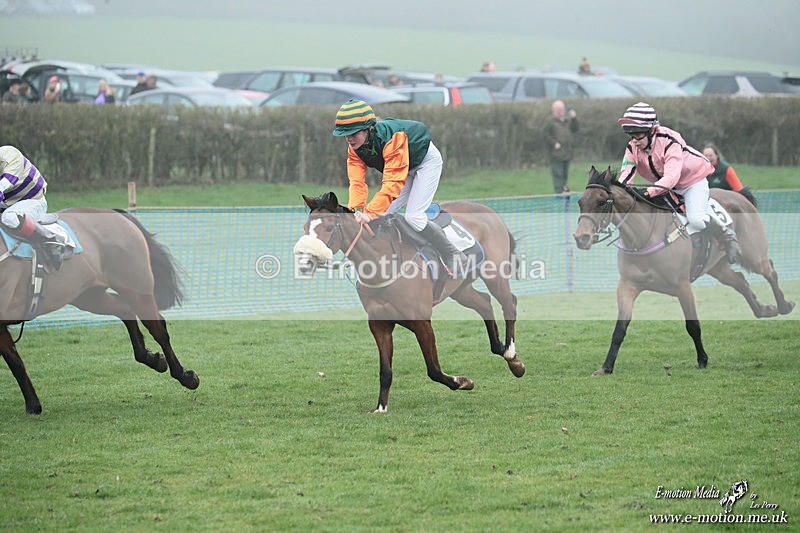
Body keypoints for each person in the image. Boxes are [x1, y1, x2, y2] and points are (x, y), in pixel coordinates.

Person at [332, 99, 466, 276]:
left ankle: (454, 254)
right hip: (403, 169)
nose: (349, 139)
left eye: (353, 133)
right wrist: (356, 210)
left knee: (413, 217)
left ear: (368, 129)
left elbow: (392, 183)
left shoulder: (392, 139)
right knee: (378, 218)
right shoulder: (354, 148)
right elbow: (357, 182)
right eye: (345, 134)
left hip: (425, 163)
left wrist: (370, 212)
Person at [617, 102, 740, 264]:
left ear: (651, 131)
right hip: (666, 186)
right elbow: (626, 176)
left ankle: (726, 234)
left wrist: (647, 192)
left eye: (638, 135)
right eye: (630, 136)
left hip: (692, 182)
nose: (635, 141)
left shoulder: (669, 141)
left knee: (695, 218)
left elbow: (671, 177)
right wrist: (620, 193)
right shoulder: (632, 147)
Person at [0, 145, 65, 269]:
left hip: (34, 201)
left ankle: (52, 241)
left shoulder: (10, 154)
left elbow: (6, 183)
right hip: (9, 203)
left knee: (9, 217)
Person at [543, 99, 578, 194]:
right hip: (556, 154)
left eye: (562, 109)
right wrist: (554, 143)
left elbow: (575, 129)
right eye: (558, 109)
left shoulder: (567, 121)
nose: (561, 111)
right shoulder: (550, 122)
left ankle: (564, 192)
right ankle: (559, 193)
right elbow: (544, 135)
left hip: (567, 152)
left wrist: (574, 118)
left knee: (564, 175)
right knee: (558, 175)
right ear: (554, 110)